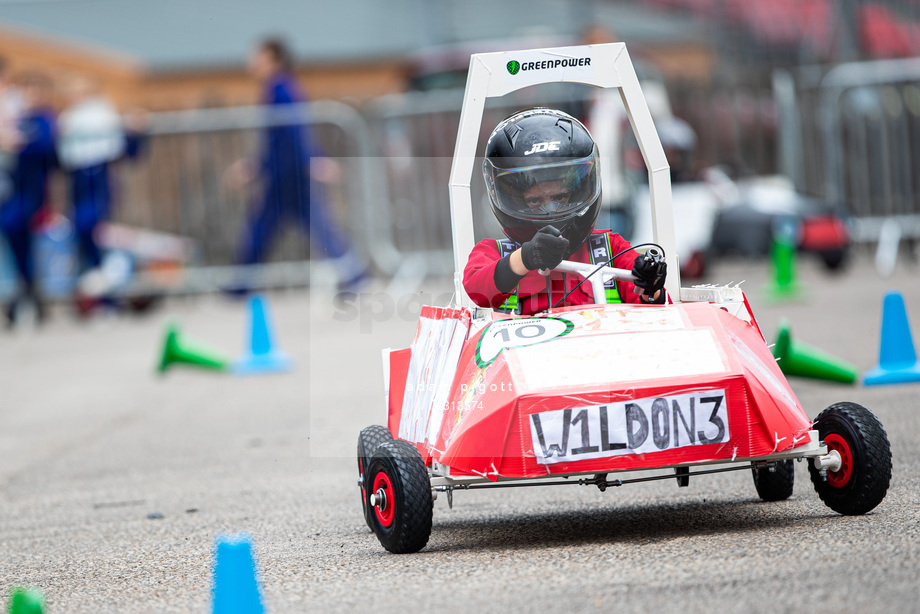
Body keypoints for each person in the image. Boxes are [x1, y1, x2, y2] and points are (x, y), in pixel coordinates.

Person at [463, 108, 666, 316]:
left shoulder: (610, 248)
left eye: (560, 198)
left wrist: (651, 283)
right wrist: (525, 258)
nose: (551, 211)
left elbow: (652, 307)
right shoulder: (495, 252)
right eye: (535, 200)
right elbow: (477, 290)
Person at [225, 37, 365, 292]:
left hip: (287, 174)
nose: (252, 61)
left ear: (273, 60)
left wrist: (312, 160)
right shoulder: (280, 88)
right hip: (286, 172)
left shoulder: (281, 89)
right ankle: (355, 276)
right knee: (316, 227)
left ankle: (239, 285)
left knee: (269, 227)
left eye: (258, 56)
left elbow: (295, 132)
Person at [56, 74, 145, 307]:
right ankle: (96, 293)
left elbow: (123, 148)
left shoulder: (101, 114)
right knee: (84, 234)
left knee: (96, 232)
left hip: (99, 183)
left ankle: (108, 294)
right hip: (80, 185)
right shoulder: (69, 117)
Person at [0, 71, 57, 326]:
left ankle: (28, 292)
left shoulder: (42, 119)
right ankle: (26, 290)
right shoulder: (17, 118)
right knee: (14, 237)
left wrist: (18, 142)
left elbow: (46, 148)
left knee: (24, 236)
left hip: (31, 191)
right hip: (11, 189)